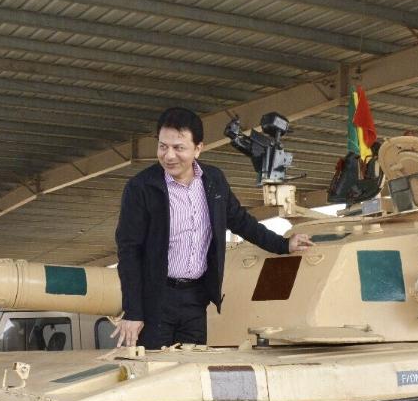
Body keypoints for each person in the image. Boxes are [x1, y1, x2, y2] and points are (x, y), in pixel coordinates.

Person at [114, 105, 313, 350]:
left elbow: (240, 221)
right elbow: (129, 251)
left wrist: (283, 244)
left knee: (194, 369)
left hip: (196, 300)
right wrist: (133, 311)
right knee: (157, 367)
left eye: (178, 148)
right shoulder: (141, 188)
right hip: (156, 300)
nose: (169, 156)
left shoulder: (214, 181)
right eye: (163, 146)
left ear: (198, 148)